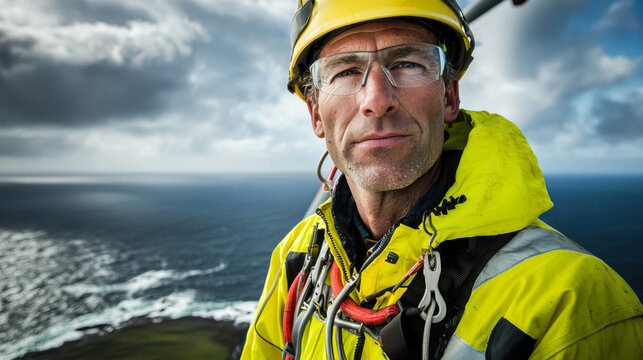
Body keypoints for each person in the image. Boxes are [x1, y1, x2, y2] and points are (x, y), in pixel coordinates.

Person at [241, 0, 643, 359]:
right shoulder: (296, 259)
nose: (377, 99)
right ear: (315, 115)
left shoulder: (568, 297)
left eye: (408, 64)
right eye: (345, 71)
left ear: (449, 96)